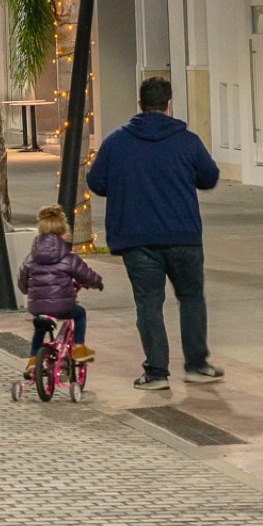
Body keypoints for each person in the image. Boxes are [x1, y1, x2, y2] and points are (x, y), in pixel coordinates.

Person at [87, 75, 222, 391]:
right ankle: (196, 366)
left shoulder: (116, 142)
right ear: (169, 104)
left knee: (148, 304)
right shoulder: (187, 141)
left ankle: (157, 373)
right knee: (191, 299)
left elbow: (96, 182)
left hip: (137, 240)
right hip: (183, 236)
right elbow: (210, 177)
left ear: (139, 105)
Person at [17, 203, 104, 372]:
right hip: (62, 306)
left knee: (40, 329)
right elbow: (85, 275)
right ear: (62, 234)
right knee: (80, 314)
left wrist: (28, 290)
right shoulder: (68, 257)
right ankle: (78, 347)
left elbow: (22, 279)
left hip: (37, 306)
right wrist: (97, 283)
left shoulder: (30, 257)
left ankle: (33, 361)